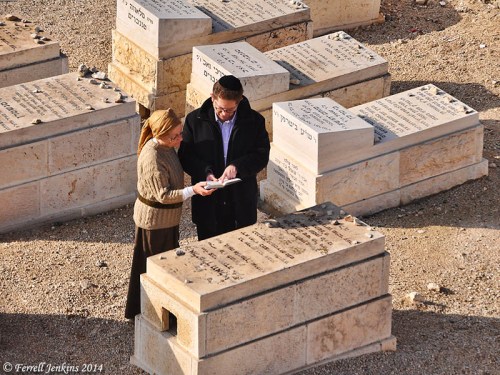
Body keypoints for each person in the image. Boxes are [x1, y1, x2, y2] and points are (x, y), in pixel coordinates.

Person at [125, 108, 214, 320]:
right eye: (175, 136)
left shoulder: (166, 147)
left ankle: (157, 310)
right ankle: (149, 312)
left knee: (162, 265)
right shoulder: (152, 159)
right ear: (160, 134)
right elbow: (163, 195)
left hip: (166, 219)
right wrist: (194, 190)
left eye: (180, 133)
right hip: (155, 222)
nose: (180, 139)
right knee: (154, 268)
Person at [178, 75, 270, 240]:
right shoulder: (194, 121)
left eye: (229, 110)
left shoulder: (254, 122)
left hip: (240, 204)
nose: (223, 114)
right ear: (212, 98)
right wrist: (205, 172)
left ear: (239, 101)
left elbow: (261, 155)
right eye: (220, 108)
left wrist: (237, 167)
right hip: (208, 204)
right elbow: (186, 156)